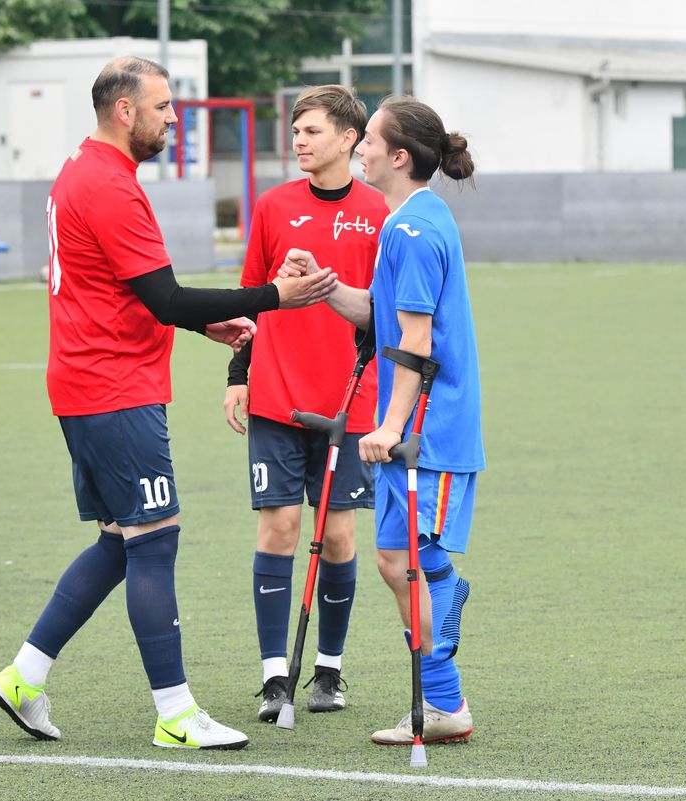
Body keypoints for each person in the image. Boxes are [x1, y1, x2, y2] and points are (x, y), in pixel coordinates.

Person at [0, 56, 337, 751]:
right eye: (165, 106)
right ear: (125, 110)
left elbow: (135, 293)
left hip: (87, 384)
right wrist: (275, 297)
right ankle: (175, 713)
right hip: (114, 390)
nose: (174, 119)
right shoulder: (109, 185)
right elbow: (166, 295)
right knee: (154, 539)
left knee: (121, 541)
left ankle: (24, 676)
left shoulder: (82, 172)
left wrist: (210, 323)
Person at [281, 96, 485, 746]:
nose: (359, 147)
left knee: (413, 559)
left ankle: (446, 681)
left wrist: (391, 424)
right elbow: (383, 314)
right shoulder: (408, 221)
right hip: (411, 426)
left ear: (398, 156)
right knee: (393, 560)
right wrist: (323, 285)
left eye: (368, 139)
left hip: (433, 428)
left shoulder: (414, 229)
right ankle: (445, 694)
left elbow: (415, 342)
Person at [222, 85, 388, 722]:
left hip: (350, 401)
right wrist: (240, 372)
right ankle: (273, 676)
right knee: (279, 527)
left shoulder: (379, 211)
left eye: (312, 131)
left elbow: (385, 314)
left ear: (349, 139)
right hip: (276, 395)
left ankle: (329, 669)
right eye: (296, 130)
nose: (299, 141)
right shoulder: (272, 207)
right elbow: (248, 300)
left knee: (340, 533)